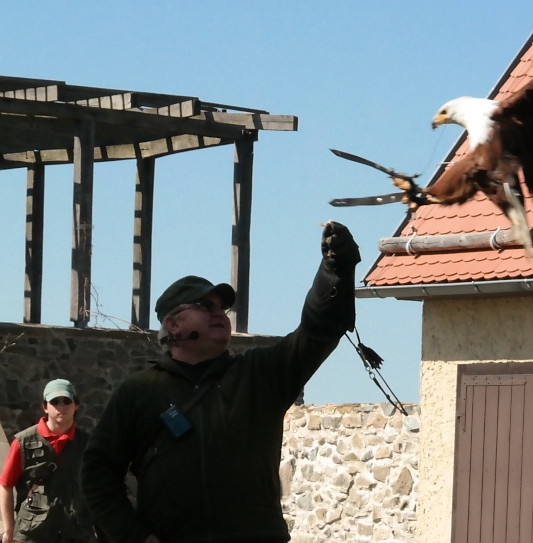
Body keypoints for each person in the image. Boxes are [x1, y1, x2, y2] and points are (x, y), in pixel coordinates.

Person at [79, 221, 360, 543]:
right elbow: (97, 474)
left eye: (222, 308)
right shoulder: (140, 390)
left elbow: (318, 329)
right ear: (173, 324)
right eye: (205, 306)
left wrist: (335, 269)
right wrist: (136, 538)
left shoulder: (260, 374)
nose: (220, 314)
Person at [0, 379, 95, 543]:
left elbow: (98, 487)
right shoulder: (23, 441)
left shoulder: (88, 444)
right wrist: (8, 530)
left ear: (76, 405)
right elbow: (6, 485)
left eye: (66, 401)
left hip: (76, 532)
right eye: (54, 401)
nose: (61, 406)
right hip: (32, 534)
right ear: (45, 406)